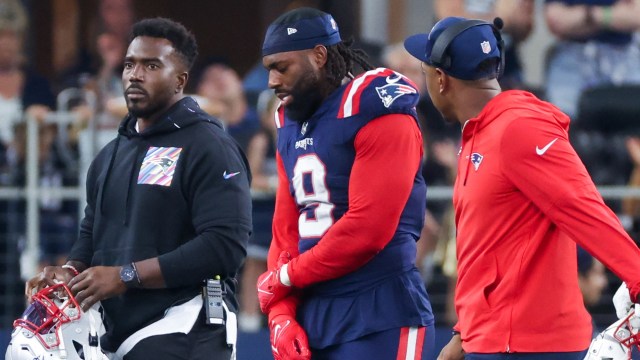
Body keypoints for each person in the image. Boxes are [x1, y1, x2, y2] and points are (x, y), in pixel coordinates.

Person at [404, 16, 640, 360]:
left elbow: (584, 208)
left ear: (441, 79)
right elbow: (486, 246)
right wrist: (463, 333)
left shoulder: (519, 127)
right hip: (494, 338)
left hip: (532, 344)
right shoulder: (480, 132)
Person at [25, 17, 252, 360]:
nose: (135, 74)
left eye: (151, 65)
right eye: (130, 64)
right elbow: (93, 231)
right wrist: (70, 271)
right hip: (116, 331)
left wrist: (126, 275)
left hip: (187, 326)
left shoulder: (209, 145)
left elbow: (224, 246)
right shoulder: (110, 153)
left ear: (180, 80)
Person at [255, 7, 435, 360]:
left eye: (282, 67)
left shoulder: (375, 106)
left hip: (380, 308)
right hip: (313, 313)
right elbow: (286, 231)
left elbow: (366, 230)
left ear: (319, 55)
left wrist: (286, 278)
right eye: (269, 69)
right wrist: (280, 315)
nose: (273, 81)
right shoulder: (288, 122)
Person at [544, 0, 640, 121]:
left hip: (624, 61)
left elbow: (636, 16)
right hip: (572, 60)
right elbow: (557, 21)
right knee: (560, 121)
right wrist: (612, 15)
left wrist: (589, 15)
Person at [434, 0, 535, 90]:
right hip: (460, 62)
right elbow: (449, 18)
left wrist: (518, 18)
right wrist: (501, 17)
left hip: (506, 64)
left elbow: (525, 26)